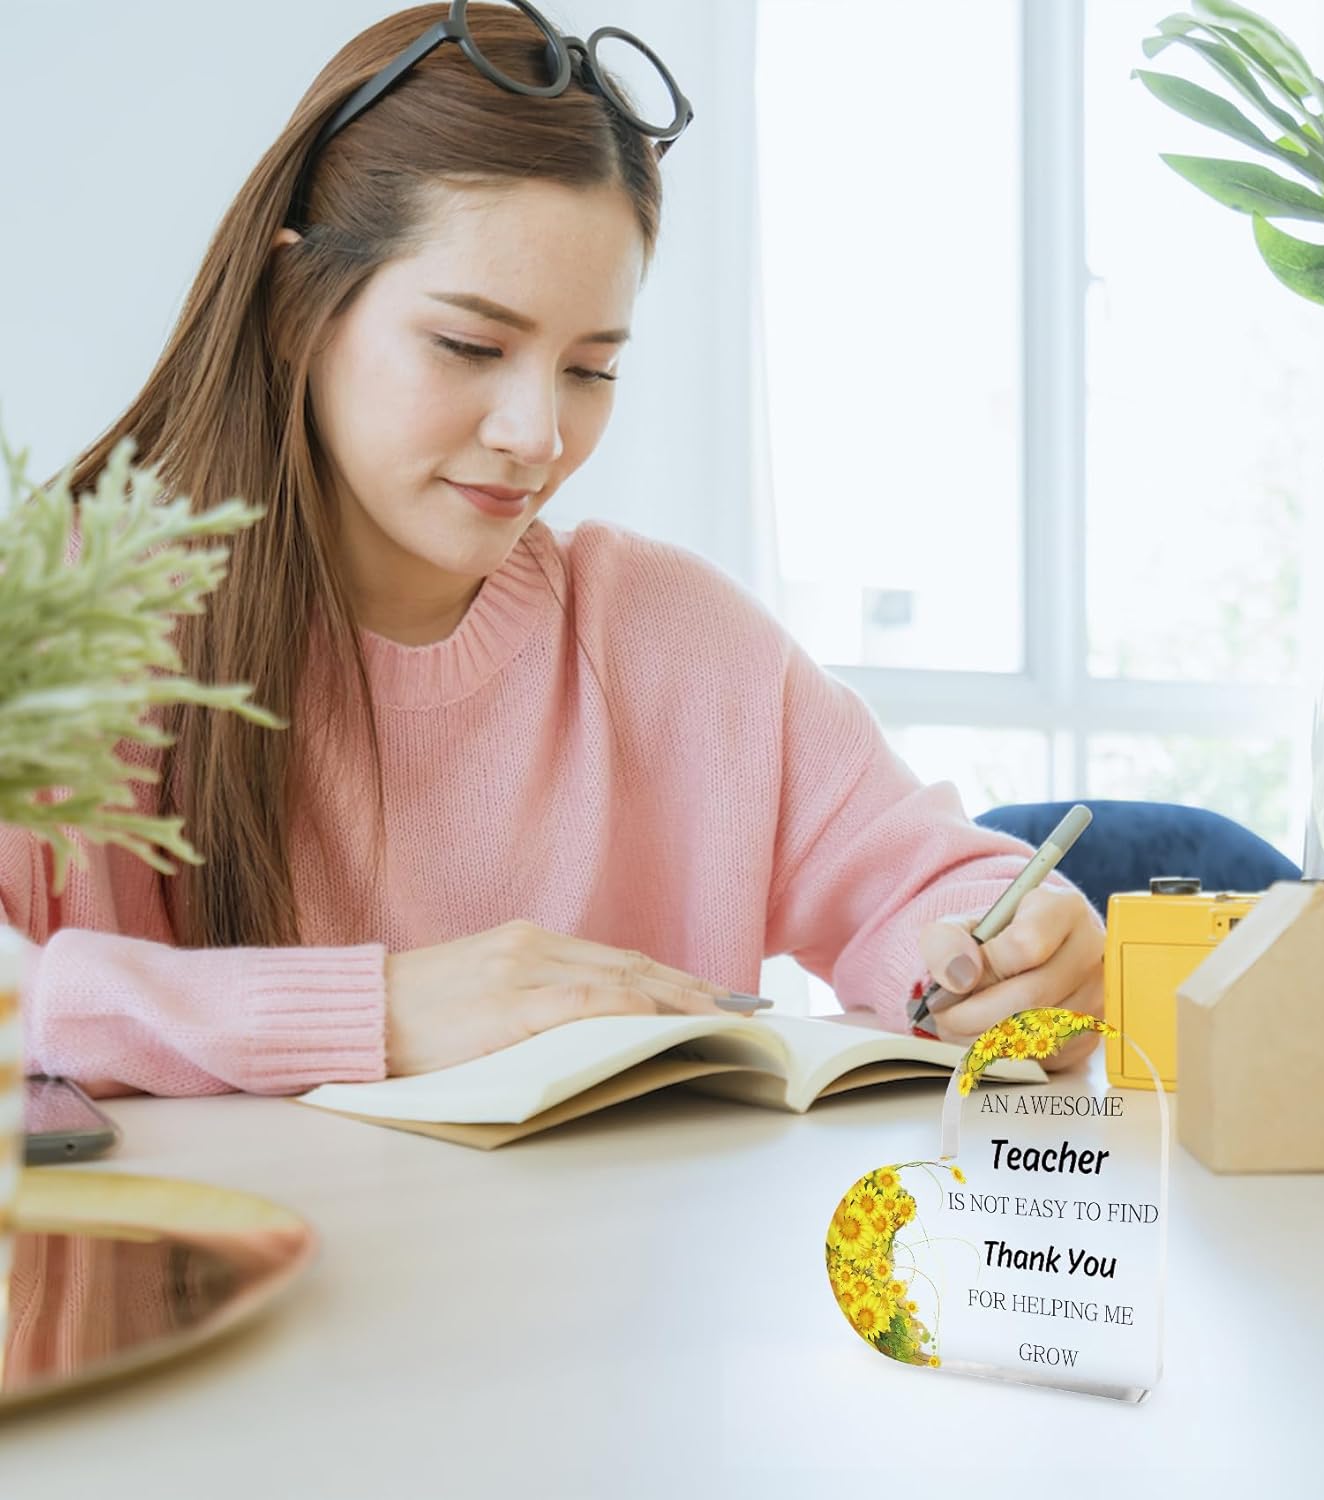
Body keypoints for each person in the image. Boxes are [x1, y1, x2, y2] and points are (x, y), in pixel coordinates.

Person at [4, 1, 1103, 1101]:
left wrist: (1009, 951)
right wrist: (378, 1011)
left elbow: (928, 892)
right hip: (210, 1279)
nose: (538, 436)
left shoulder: (674, 639)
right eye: (469, 345)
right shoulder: (66, 636)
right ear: (299, 305)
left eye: (591, 369)